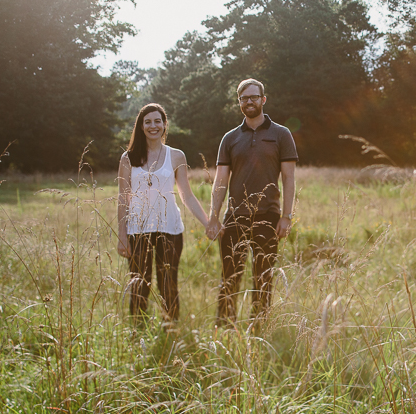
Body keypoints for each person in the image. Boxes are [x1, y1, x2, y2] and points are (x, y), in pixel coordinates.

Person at [206, 79, 298, 327]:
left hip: (268, 215)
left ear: (263, 99)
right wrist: (213, 217)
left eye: (253, 97)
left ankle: (259, 330)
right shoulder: (230, 138)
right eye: (244, 98)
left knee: (263, 278)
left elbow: (289, 178)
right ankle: (225, 329)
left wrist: (286, 216)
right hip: (235, 217)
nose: (249, 101)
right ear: (239, 103)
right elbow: (221, 180)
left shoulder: (281, 134)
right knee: (230, 277)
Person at [117, 103, 208, 323]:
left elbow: (186, 195)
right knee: (140, 283)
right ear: (141, 126)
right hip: (137, 230)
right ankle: (138, 333)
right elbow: (123, 198)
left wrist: (208, 223)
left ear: (165, 124)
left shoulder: (176, 156)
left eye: (157, 121)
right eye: (147, 122)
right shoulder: (128, 158)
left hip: (170, 229)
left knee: (169, 283)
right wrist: (122, 235)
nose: (153, 125)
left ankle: (171, 330)